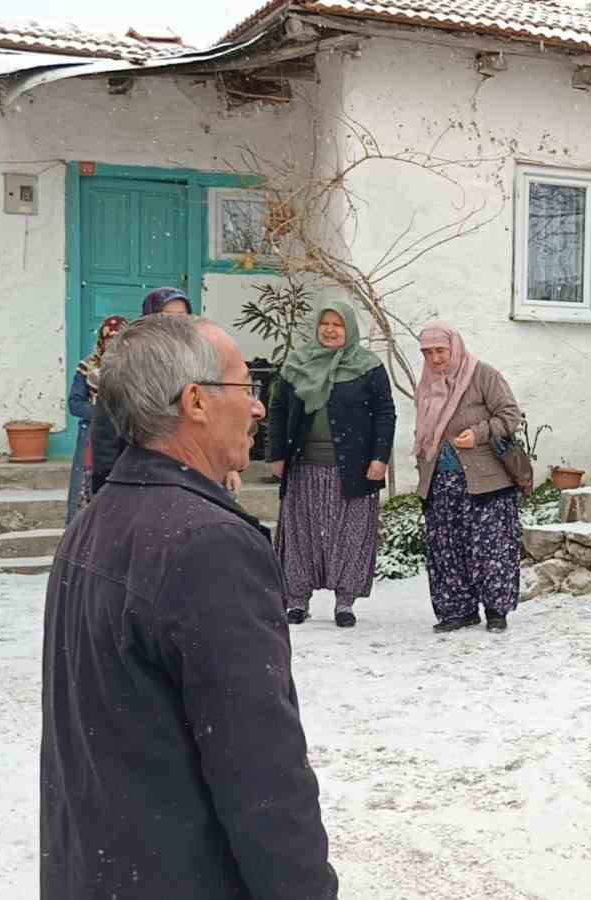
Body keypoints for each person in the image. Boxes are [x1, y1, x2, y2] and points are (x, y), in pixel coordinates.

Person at [41, 314, 337, 899]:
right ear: (196, 401)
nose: (258, 408)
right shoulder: (208, 546)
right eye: (246, 385)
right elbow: (261, 773)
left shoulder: (96, 523)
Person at [268, 299, 396, 628]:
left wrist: (380, 458)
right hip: (303, 466)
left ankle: (345, 602)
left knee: (349, 535)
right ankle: (297, 601)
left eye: (337, 324)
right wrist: (278, 454)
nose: (329, 330)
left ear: (349, 329)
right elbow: (278, 410)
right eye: (325, 323)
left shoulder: (368, 367)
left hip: (352, 469)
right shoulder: (297, 364)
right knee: (300, 535)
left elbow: (385, 414)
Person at [412, 321, 523, 633]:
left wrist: (479, 434)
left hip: (486, 480)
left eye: (440, 351)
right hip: (441, 481)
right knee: (446, 548)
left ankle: (495, 610)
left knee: (491, 548)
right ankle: (457, 610)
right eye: (428, 352)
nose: (435, 359)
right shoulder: (427, 384)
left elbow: (510, 415)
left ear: (454, 347)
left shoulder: (482, 375)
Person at [89, 287, 214, 495]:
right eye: (166, 316)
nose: (176, 323)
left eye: (183, 317)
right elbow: (106, 428)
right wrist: (106, 480)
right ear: (149, 318)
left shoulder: (197, 361)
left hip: (185, 472)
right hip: (134, 473)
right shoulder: (127, 360)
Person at [65, 314, 126, 523]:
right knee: (88, 485)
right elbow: (75, 403)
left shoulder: (134, 369)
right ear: (102, 340)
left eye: (119, 339)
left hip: (124, 437)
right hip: (92, 436)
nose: (113, 344)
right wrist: (104, 415)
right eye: (110, 339)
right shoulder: (88, 367)